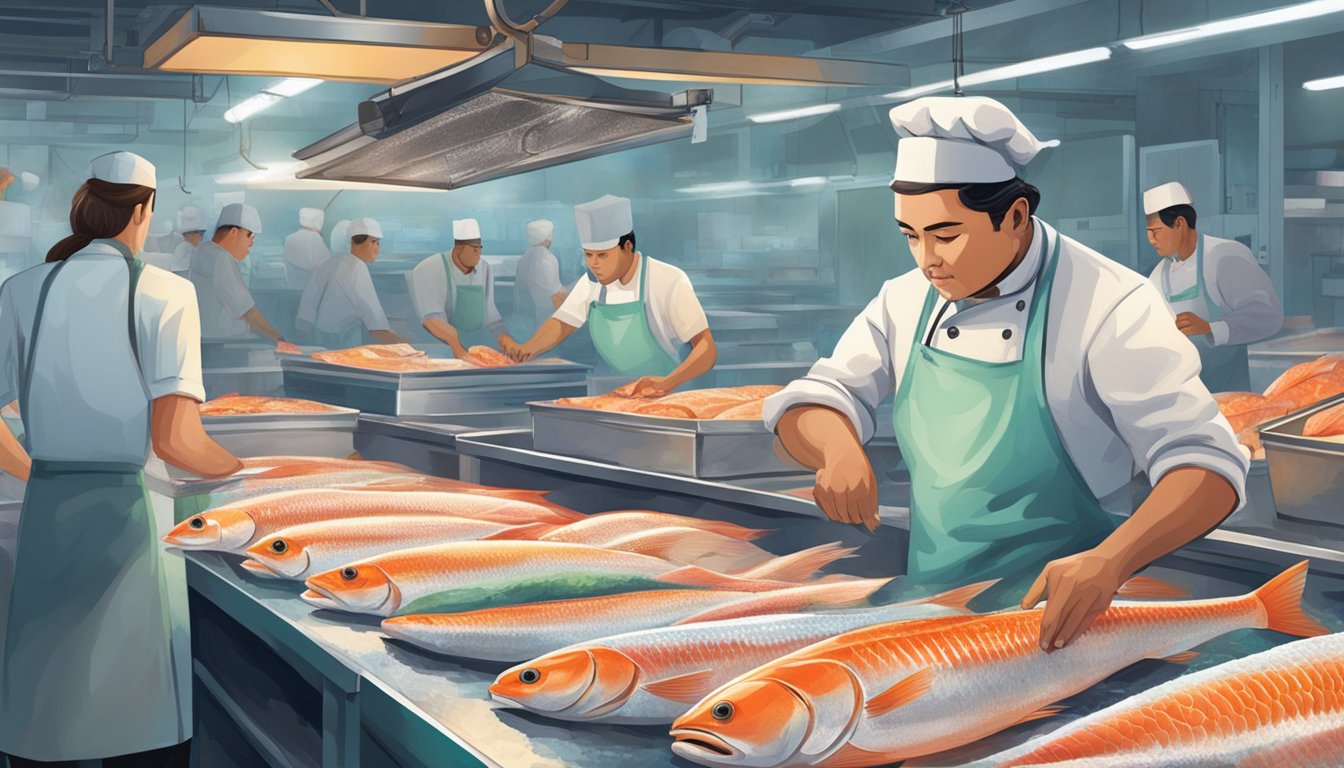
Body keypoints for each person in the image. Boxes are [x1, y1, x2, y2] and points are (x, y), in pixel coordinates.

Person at [764, 96, 1248, 652]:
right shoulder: (905, 299)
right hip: (932, 610)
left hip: (1060, 627)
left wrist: (1111, 561)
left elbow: (1206, 464)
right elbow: (816, 397)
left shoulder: (1110, 303)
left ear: (1015, 216)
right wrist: (836, 449)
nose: (927, 260)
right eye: (910, 236)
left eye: (946, 235)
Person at [0, 151, 243, 768]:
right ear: (144, 210)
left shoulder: (22, 289)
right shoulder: (166, 292)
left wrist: (43, 475)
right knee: (138, 717)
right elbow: (177, 442)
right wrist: (249, 479)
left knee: (46, 708)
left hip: (50, 516)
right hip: (132, 522)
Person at [512, 195, 716, 397]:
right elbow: (563, 323)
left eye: (603, 255)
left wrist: (667, 383)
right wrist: (528, 349)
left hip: (668, 394)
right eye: (588, 255)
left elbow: (706, 348)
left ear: (627, 247)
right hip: (618, 394)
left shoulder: (668, 280)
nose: (594, 264)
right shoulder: (593, 282)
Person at [1143, 182, 1283, 392]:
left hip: (1230, 391)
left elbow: (1267, 315)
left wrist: (1210, 328)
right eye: (1148, 232)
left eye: (1156, 231)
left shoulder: (1225, 256)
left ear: (1179, 223)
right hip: (1186, 393)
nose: (1151, 239)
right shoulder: (1157, 276)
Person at [409, 218, 516, 358]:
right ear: (459, 249)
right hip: (442, 349)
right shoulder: (431, 268)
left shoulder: (485, 268)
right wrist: (457, 347)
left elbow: (490, 312)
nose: (478, 256)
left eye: (479, 250)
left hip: (479, 347)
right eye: (474, 250)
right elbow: (432, 319)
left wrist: (506, 340)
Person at [187, 203, 289, 348]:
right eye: (249, 235)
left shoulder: (203, 251)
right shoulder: (220, 258)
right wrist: (280, 339)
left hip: (208, 341)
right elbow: (248, 314)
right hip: (225, 344)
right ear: (234, 232)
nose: (252, 242)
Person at [296, 217, 405, 348]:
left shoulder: (328, 264)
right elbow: (377, 325)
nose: (377, 249)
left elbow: (305, 313)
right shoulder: (356, 267)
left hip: (319, 339)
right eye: (374, 242)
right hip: (341, 342)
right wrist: (408, 346)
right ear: (355, 243)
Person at [513, 218, 568, 333]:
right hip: (542, 322)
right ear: (548, 237)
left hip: (523, 320)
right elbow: (554, 294)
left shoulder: (525, 256)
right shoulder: (547, 258)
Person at [283, 207, 331, 290]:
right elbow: (328, 265)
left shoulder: (289, 238)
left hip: (291, 288)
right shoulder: (315, 239)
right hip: (312, 292)